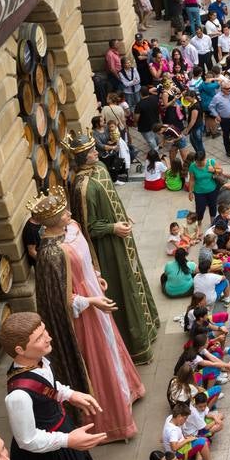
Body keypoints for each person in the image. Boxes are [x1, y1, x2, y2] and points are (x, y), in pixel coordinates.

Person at [31, 187, 145, 441]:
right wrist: (92, 300)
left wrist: (97, 278)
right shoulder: (51, 253)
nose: (69, 213)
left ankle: (127, 392)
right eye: (63, 213)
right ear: (51, 221)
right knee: (99, 358)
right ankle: (111, 420)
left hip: (94, 299)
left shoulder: (72, 227)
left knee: (111, 348)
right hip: (82, 316)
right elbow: (60, 300)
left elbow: (86, 261)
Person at [67, 131, 161, 364]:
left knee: (135, 275)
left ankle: (150, 326)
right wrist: (113, 227)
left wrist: (122, 214)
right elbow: (89, 226)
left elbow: (111, 198)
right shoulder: (82, 187)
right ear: (81, 157)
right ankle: (135, 346)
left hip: (122, 237)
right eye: (90, 151)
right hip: (109, 247)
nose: (96, 152)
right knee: (124, 286)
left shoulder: (99, 167)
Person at [0, 312, 110, 460]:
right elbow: (27, 440)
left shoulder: (39, 362)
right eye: (40, 337)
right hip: (47, 458)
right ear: (20, 349)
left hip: (62, 432)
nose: (48, 338)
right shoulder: (18, 396)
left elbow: (47, 386)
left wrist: (69, 394)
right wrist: (68, 441)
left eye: (45, 331)